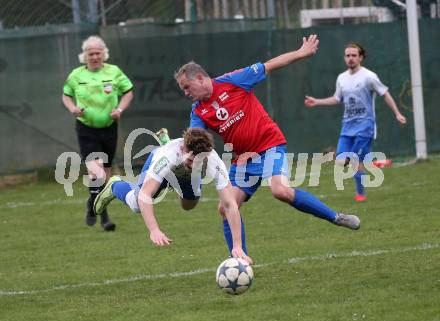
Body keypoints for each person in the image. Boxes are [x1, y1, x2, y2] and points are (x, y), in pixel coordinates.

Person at [174, 34, 360, 254]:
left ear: (200, 79)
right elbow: (194, 137)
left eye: (187, 87)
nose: (186, 93)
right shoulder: (198, 110)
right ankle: (239, 257)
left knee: (280, 190)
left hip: (269, 144)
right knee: (225, 208)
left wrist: (301, 53)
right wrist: (187, 154)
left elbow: (270, 65)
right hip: (243, 159)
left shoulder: (233, 80)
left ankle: (335, 217)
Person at [93, 127, 252, 264]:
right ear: (183, 148)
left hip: (185, 175)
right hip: (164, 166)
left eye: (199, 162)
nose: (194, 164)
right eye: (191, 160)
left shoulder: (213, 161)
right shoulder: (167, 156)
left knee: (189, 205)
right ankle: (114, 185)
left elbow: (230, 205)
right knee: (136, 204)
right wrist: (154, 229)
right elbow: (145, 195)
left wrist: (237, 246)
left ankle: (174, 178)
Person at [304, 42, 407, 201]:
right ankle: (373, 165)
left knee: (354, 160)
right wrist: (317, 101)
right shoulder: (341, 78)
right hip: (347, 126)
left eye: (354, 55)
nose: (350, 58)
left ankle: (361, 193)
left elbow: (384, 93)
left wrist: (397, 113)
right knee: (341, 162)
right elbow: (337, 99)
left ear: (360, 57)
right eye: (348, 55)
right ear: (345, 58)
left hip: (365, 125)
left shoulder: (369, 76)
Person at [62, 35, 134, 231]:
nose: (94, 56)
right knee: (98, 172)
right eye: (90, 53)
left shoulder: (114, 72)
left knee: (105, 175)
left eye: (97, 53)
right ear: (84, 56)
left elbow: (128, 92)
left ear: (104, 54)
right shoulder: (76, 75)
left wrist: (119, 109)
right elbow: (66, 95)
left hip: (109, 128)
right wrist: (72, 109)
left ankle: (93, 206)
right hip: (86, 128)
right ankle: (103, 217)